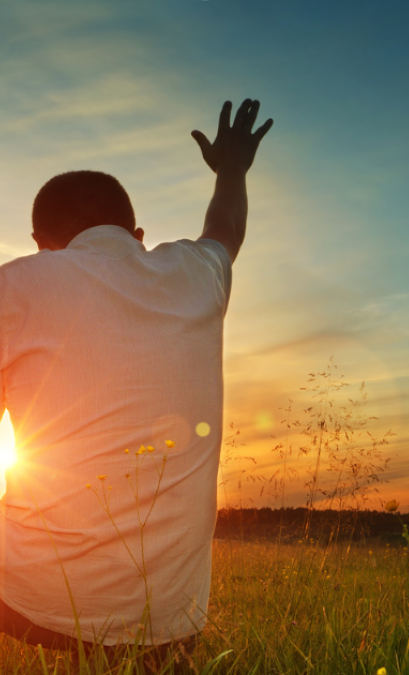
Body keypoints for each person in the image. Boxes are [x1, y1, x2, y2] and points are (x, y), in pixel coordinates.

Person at [0, 99, 273, 669]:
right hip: (169, 619)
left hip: (28, 601)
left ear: (41, 241)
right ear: (139, 234)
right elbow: (226, 229)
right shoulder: (197, 274)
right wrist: (231, 171)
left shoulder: (18, 284)